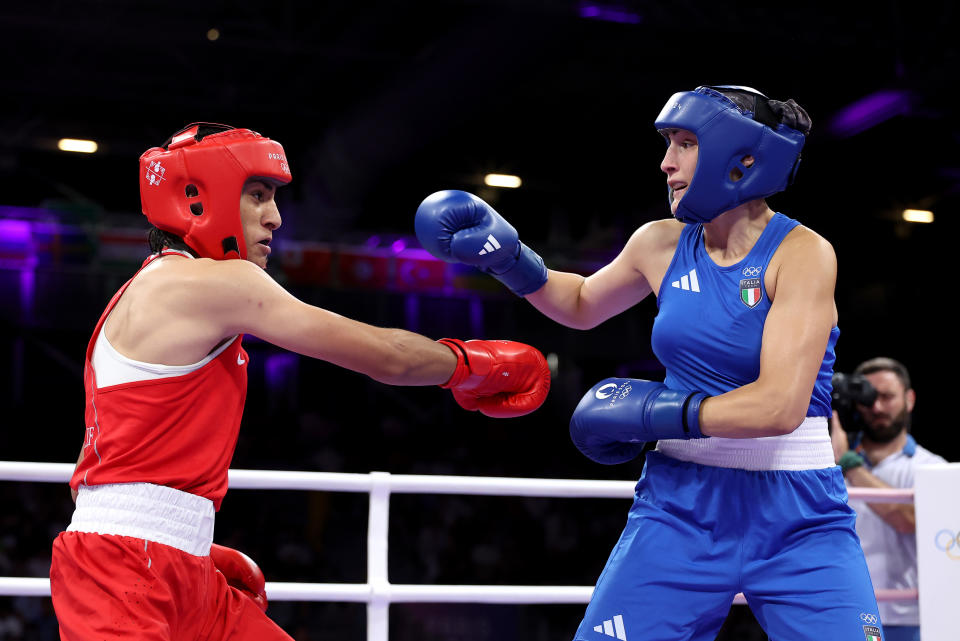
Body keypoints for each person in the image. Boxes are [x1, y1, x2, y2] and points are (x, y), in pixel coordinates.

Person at [49, 122, 552, 641]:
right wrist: (469, 365)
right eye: (258, 195)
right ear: (199, 197)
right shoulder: (213, 284)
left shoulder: (145, 289)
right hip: (121, 572)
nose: (275, 217)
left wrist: (184, 537)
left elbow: (117, 463)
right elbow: (387, 357)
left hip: (169, 564)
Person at [415, 86, 884, 641]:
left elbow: (780, 406)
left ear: (743, 158)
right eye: (668, 144)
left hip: (798, 510)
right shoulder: (659, 243)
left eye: (686, 144)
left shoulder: (802, 253)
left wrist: (653, 413)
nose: (667, 162)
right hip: (681, 502)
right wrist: (511, 259)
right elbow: (584, 303)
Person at [832, 357, 947, 641]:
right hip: (844, 612)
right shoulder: (827, 466)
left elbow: (910, 520)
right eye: (868, 397)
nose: (877, 407)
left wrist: (849, 464)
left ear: (909, 399)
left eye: (887, 397)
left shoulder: (932, 469)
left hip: (905, 616)